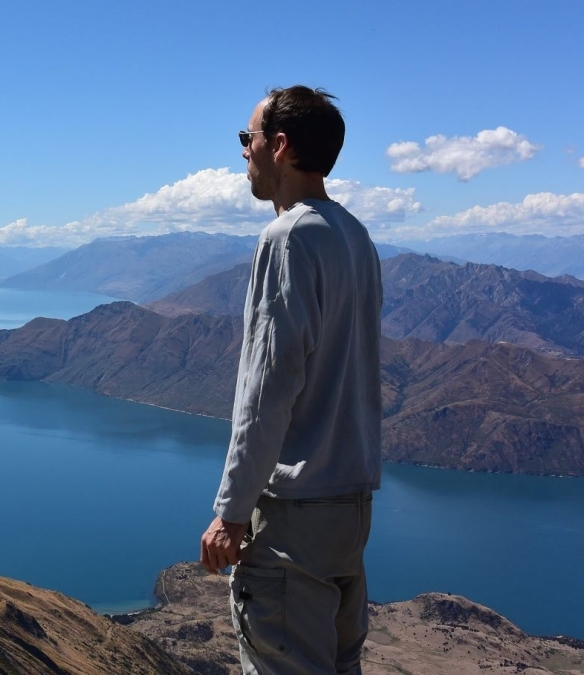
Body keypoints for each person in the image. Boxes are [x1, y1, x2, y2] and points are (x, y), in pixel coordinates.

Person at [198, 86, 383, 675]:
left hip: (294, 521)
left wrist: (231, 511)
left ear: (279, 146)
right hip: (348, 513)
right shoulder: (354, 236)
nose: (242, 154)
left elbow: (267, 389)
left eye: (245, 139)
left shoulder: (288, 239)